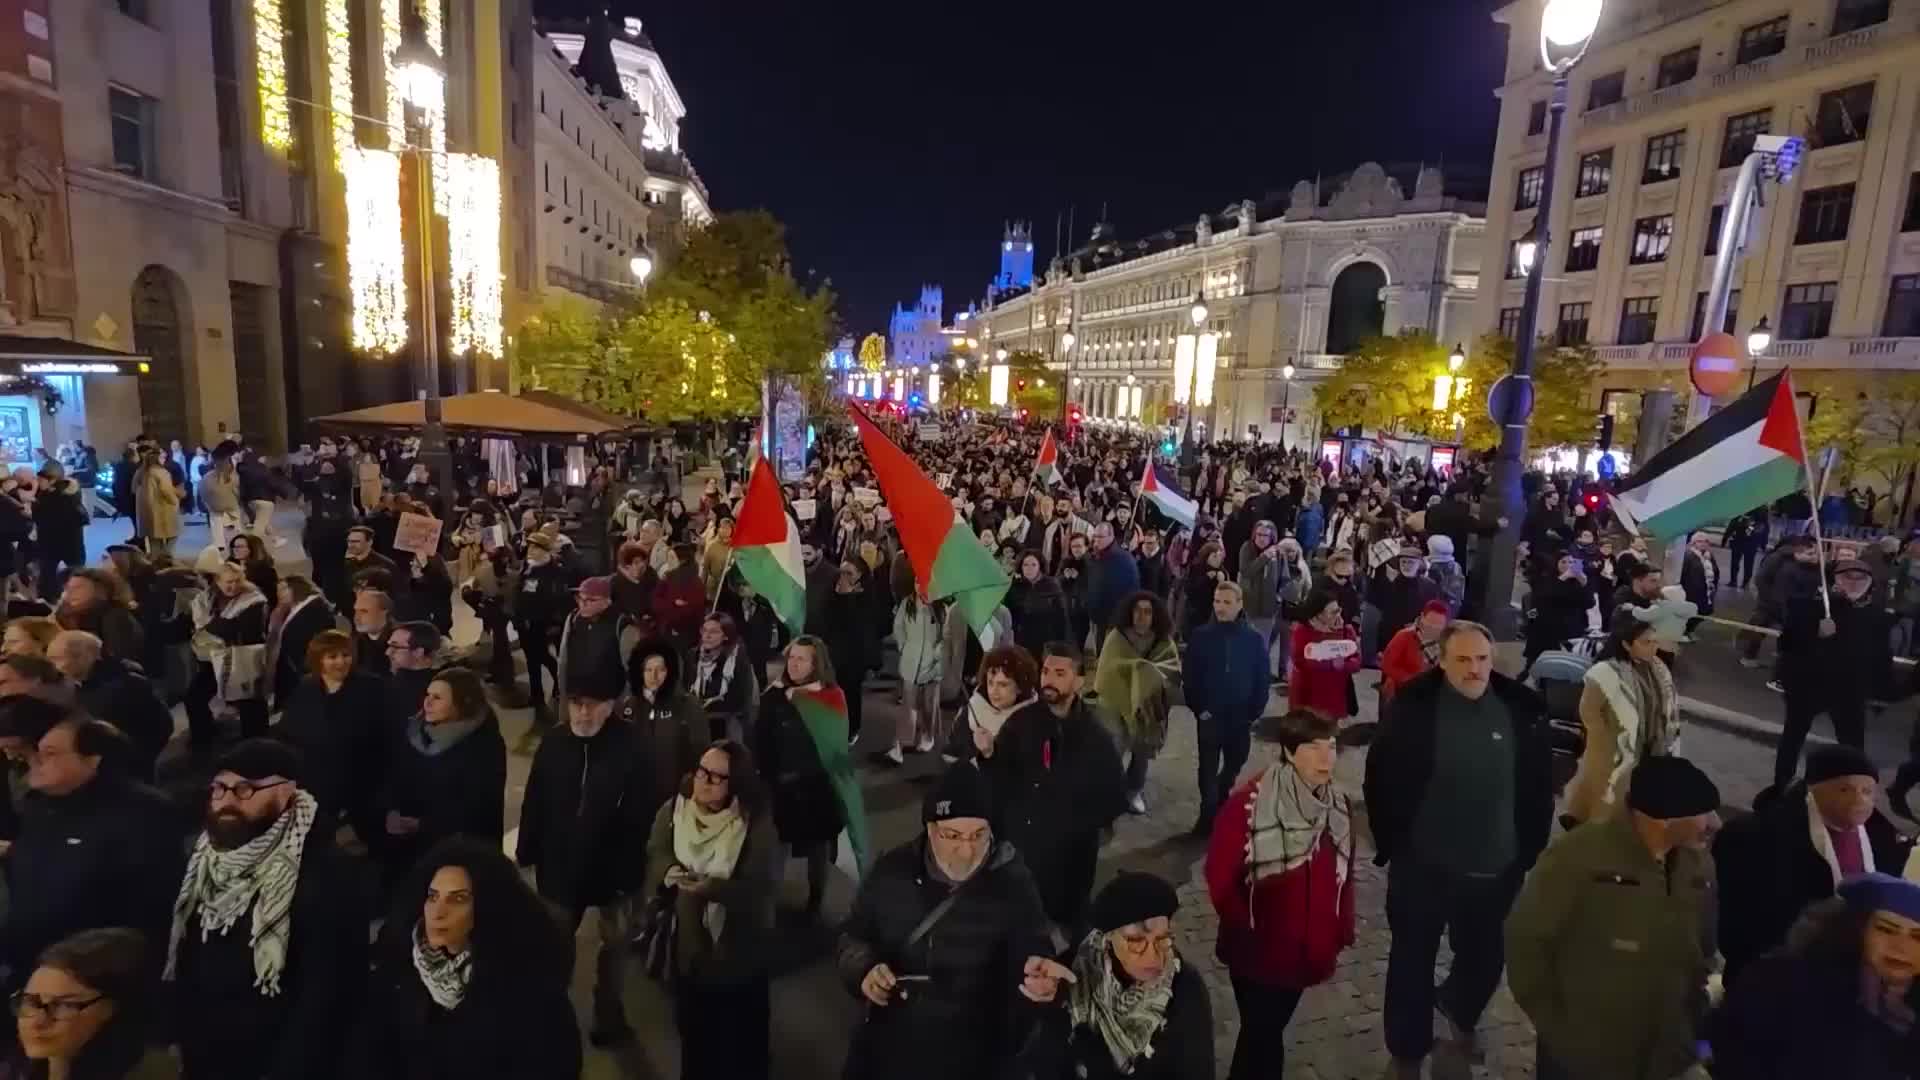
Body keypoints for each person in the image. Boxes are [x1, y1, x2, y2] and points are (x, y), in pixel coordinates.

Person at [1362, 620, 1555, 1080]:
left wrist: (1527, 850)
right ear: (1442, 660)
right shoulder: (1412, 711)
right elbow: (1380, 779)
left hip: (1498, 867)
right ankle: (1407, 1045)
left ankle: (1456, 1005)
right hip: (1423, 866)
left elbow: (1537, 786)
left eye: (1483, 659)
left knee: (1486, 956)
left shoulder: (1519, 710)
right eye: (1464, 660)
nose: (1475, 669)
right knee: (1412, 958)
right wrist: (1393, 843)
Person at [836, 765, 1060, 1080]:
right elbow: (852, 935)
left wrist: (1038, 976)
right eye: (952, 835)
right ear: (930, 829)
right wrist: (863, 969)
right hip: (890, 1046)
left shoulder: (1014, 884)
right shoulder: (891, 872)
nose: (966, 850)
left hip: (973, 1055)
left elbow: (1033, 948)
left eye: (978, 835)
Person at [1505, 756, 1721, 1080]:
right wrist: (1559, 1032)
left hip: (1662, 1057)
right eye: (1703, 813)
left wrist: (1696, 1040)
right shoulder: (1578, 857)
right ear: (1663, 819)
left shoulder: (1698, 867)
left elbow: (1701, 955)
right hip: (1582, 1061)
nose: (1715, 823)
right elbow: (1527, 942)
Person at [163, 739, 365, 1080]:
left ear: (286, 794)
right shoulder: (203, 858)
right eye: (219, 788)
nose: (226, 801)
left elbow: (326, 992)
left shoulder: (325, 873)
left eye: (245, 790)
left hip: (272, 1057)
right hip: (204, 1050)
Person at [1205, 709, 1355, 1080]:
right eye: (1314, 747)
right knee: (1263, 1035)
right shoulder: (1248, 805)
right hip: (1258, 953)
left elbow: (1345, 874)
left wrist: (1340, 927)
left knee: (1263, 1034)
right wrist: (1248, 930)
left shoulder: (1336, 804)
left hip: (1306, 950)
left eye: (1332, 747)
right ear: (1289, 751)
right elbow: (1221, 878)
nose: (1326, 757)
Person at [350, 838, 581, 1079]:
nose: (439, 912)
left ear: (488, 910)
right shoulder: (400, 969)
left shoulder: (535, 1001)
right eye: (433, 896)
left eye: (457, 899)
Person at [515, 669, 652, 1047]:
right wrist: (528, 847)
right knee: (556, 946)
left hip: (614, 870)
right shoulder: (555, 743)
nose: (582, 714)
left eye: (592, 706)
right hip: (560, 867)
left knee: (616, 947)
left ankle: (608, 1016)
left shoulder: (633, 747)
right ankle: (553, 1017)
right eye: (575, 704)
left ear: (611, 707)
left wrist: (632, 871)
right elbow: (535, 798)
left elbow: (642, 813)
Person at [1, 714, 182, 993]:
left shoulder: (142, 813)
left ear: (93, 760)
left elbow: (148, 905)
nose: (35, 760)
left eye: (50, 754)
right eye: (37, 751)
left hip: (91, 980)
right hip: (30, 969)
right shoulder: (39, 806)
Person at [1714, 744, 1912, 982]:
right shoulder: (1758, 835)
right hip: (1776, 972)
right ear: (1814, 790)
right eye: (1844, 789)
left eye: (1867, 791)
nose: (1859, 799)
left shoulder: (1883, 837)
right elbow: (1738, 917)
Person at [642, 740, 780, 1079]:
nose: (704, 780)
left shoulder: (755, 824)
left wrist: (713, 889)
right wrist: (667, 871)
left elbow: (759, 887)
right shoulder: (674, 810)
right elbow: (655, 851)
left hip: (739, 951)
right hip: (690, 950)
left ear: (737, 784)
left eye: (717, 777)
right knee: (695, 1038)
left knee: (741, 1041)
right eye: (702, 771)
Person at [971, 643, 1124, 932]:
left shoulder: (1097, 736)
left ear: (1079, 681)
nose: (1049, 679)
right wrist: (989, 754)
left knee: (1066, 929)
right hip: (1023, 853)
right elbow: (997, 780)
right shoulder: (1020, 723)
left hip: (1071, 861)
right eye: (1045, 671)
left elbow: (1112, 797)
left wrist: (1076, 825)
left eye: (1060, 673)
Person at [1709, 872, 1920, 1079]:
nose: (1901, 947)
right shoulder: (1782, 987)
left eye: (1917, 937)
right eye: (1886, 929)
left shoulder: (1911, 1005)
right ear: (1857, 929)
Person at [1012, 872, 1214, 1080]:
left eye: (1162, 939)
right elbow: (1041, 1051)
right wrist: (1046, 999)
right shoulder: (1073, 971)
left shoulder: (1185, 989)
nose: (1154, 957)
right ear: (1107, 938)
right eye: (1136, 941)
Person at [374, 669, 506, 884]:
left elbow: (479, 806)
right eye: (427, 695)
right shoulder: (416, 731)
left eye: (437, 698)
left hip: (458, 852)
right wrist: (391, 810)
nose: (427, 703)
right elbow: (396, 775)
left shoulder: (484, 745)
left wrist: (423, 825)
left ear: (462, 703)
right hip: (411, 846)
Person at [1775, 557, 1891, 788]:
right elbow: (1786, 643)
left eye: (1861, 578)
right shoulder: (1809, 606)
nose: (1854, 582)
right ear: (1834, 580)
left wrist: (1882, 693)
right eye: (1847, 576)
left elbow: (1881, 658)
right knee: (1792, 740)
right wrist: (1813, 631)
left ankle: (1851, 790)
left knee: (1853, 747)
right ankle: (1781, 787)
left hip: (1850, 692)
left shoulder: (1877, 616)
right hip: (1808, 687)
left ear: (1870, 584)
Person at [754, 636, 846, 921]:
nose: (793, 665)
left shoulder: (831, 696)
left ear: (816, 664)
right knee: (775, 850)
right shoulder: (774, 695)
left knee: (818, 849)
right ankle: (767, 909)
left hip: (817, 790)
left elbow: (835, 745)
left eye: (801, 659)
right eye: (791, 658)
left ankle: (816, 901)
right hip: (780, 789)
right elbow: (760, 741)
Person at [3, 928, 176, 1080]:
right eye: (31, 1002)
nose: (38, 1022)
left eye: (65, 1005)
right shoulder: (13, 1069)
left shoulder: (153, 1072)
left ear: (111, 1010)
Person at [1563, 612, 1680, 826]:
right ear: (1627, 644)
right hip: (1612, 751)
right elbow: (1589, 711)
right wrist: (1606, 741)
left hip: (1648, 746)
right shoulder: (1606, 671)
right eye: (1646, 642)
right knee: (1609, 802)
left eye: (1655, 641)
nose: (1653, 647)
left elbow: (1668, 705)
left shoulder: (1658, 668)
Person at [270, 630, 383, 830]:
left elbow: (382, 737)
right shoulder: (306, 687)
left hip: (357, 781)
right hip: (312, 781)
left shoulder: (372, 688)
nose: (341, 662)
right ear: (318, 660)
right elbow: (288, 731)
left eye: (346, 655)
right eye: (332, 657)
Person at [1185, 582, 1270, 836]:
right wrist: (1200, 708)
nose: (1220, 607)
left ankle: (1221, 796)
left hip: (1240, 719)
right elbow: (1190, 677)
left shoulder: (1253, 639)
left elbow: (1261, 678)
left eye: (1227, 602)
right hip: (1210, 717)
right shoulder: (1201, 636)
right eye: (1217, 601)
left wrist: (1253, 711)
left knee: (1236, 761)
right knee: (1207, 769)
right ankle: (1208, 813)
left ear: (1239, 604)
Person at [1093, 591, 1180, 813]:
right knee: (1114, 747)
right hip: (1115, 703)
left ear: (1156, 615)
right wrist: (1137, 669)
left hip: (1148, 707)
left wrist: (1145, 674)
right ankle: (1109, 791)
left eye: (1148, 612)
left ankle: (1134, 790)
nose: (1142, 616)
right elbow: (1106, 671)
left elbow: (1172, 672)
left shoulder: (1164, 641)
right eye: (1137, 611)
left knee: (1142, 749)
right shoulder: (1117, 637)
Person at [47, 631, 170, 782]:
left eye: (57, 659)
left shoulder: (122, 685)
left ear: (84, 657)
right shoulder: (85, 682)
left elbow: (158, 724)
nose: (52, 667)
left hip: (131, 759)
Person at [184, 563, 270, 747]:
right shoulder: (208, 597)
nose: (233, 586)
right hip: (212, 659)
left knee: (250, 706)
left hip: (243, 661)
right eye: (228, 582)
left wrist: (211, 624)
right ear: (218, 581)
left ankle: (256, 745)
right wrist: (218, 625)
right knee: (193, 697)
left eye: (237, 581)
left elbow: (246, 632)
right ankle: (203, 738)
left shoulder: (254, 600)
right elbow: (208, 623)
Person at [513, 533, 571, 731]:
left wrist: (553, 623)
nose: (531, 551)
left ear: (545, 551)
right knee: (531, 659)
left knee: (542, 656)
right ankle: (536, 695)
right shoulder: (528, 567)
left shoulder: (554, 571)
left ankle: (558, 681)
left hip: (542, 624)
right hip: (525, 623)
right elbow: (520, 591)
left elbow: (558, 600)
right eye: (530, 547)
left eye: (536, 548)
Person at [886, 575, 944, 764]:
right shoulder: (907, 603)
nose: (921, 587)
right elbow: (898, 626)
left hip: (932, 664)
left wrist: (938, 655)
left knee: (928, 705)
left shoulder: (940, 607)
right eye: (918, 582)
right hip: (911, 662)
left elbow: (946, 637)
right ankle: (901, 743)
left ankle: (928, 735)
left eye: (925, 583)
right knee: (908, 706)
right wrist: (903, 647)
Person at [1288, 589, 1360, 722]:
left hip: (1335, 698)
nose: (1338, 615)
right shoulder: (1303, 632)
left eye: (1338, 610)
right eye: (1333, 612)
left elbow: (1356, 662)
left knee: (1329, 739)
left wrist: (1344, 665)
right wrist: (1328, 662)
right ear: (1319, 614)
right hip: (1308, 699)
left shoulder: (1346, 631)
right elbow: (1299, 662)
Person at [54, 570, 144, 667]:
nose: (70, 593)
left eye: (78, 588)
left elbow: (118, 661)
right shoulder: (69, 615)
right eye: (68, 588)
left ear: (100, 591)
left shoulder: (116, 617)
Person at [269, 576, 333, 711]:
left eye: (284, 589)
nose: (279, 594)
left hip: (303, 670)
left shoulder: (313, 608)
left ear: (297, 588)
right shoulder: (295, 609)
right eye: (278, 590)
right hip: (294, 671)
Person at [688, 613, 754, 745]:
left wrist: (710, 706)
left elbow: (741, 698)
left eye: (713, 632)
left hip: (726, 720)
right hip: (697, 719)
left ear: (726, 635)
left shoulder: (737, 659)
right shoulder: (692, 655)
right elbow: (685, 686)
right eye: (704, 630)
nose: (706, 636)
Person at [1379, 600, 1448, 705]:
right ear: (1422, 618)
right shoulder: (1405, 636)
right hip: (1402, 694)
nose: (1434, 629)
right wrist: (1415, 681)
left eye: (1439, 626)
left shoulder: (1446, 642)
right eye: (1431, 624)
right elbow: (1386, 664)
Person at [1084, 522, 1138, 647]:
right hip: (1098, 617)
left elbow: (1130, 591)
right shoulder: (1096, 557)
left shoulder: (1124, 560)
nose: (1096, 541)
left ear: (1111, 536)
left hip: (1114, 620)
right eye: (1094, 537)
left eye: (1100, 537)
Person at [349, 589, 394, 679]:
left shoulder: (400, 640)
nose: (356, 618)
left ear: (384, 612)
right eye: (356, 611)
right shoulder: (353, 640)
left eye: (364, 611)